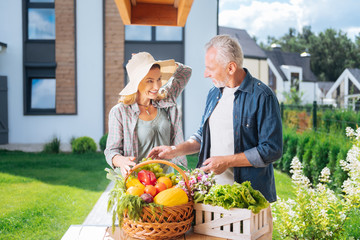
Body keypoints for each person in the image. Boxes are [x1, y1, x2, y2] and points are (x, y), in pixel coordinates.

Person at [148, 35, 282, 238]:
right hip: (213, 199)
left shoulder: (262, 96)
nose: (204, 74)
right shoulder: (214, 94)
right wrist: (175, 150)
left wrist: (227, 162)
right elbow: (204, 136)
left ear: (230, 68)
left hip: (249, 204)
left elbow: (271, 149)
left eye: (210, 68)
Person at [104, 52, 192, 176]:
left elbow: (185, 73)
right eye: (150, 81)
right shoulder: (120, 112)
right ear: (136, 82)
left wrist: (155, 62)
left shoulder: (165, 100)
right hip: (137, 184)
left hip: (167, 180)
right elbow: (111, 151)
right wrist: (121, 161)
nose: (156, 86)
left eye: (159, 79)